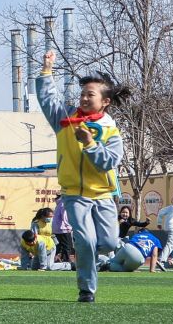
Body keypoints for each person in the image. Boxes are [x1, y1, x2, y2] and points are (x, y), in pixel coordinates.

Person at [37, 50, 126, 303]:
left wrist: (89, 144)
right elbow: (48, 99)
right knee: (85, 240)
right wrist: (46, 70)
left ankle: (89, 256)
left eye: (91, 94)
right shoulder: (65, 120)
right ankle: (87, 290)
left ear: (105, 101)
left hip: (104, 195)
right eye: (83, 94)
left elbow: (107, 162)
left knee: (108, 244)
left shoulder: (112, 131)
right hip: (74, 194)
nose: (84, 98)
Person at [53, 195, 74, 263]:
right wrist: (70, 226)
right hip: (64, 229)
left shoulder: (59, 204)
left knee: (59, 247)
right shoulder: (63, 203)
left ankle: (58, 260)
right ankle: (68, 262)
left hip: (57, 229)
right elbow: (65, 217)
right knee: (67, 247)